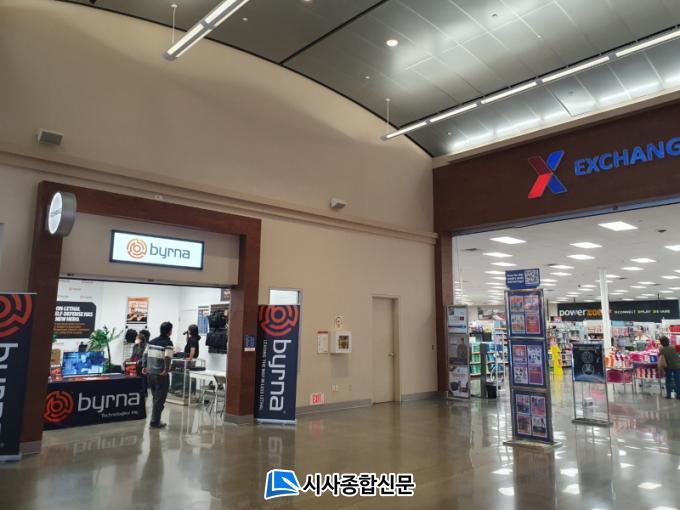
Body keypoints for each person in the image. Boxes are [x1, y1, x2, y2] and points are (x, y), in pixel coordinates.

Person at [142, 322, 175, 428]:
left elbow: (145, 354)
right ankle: (155, 421)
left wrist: (144, 366)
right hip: (161, 374)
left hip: (150, 374)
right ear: (169, 331)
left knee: (155, 398)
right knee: (159, 400)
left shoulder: (151, 341)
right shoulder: (168, 343)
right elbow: (167, 357)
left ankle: (155, 419)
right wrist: (166, 370)